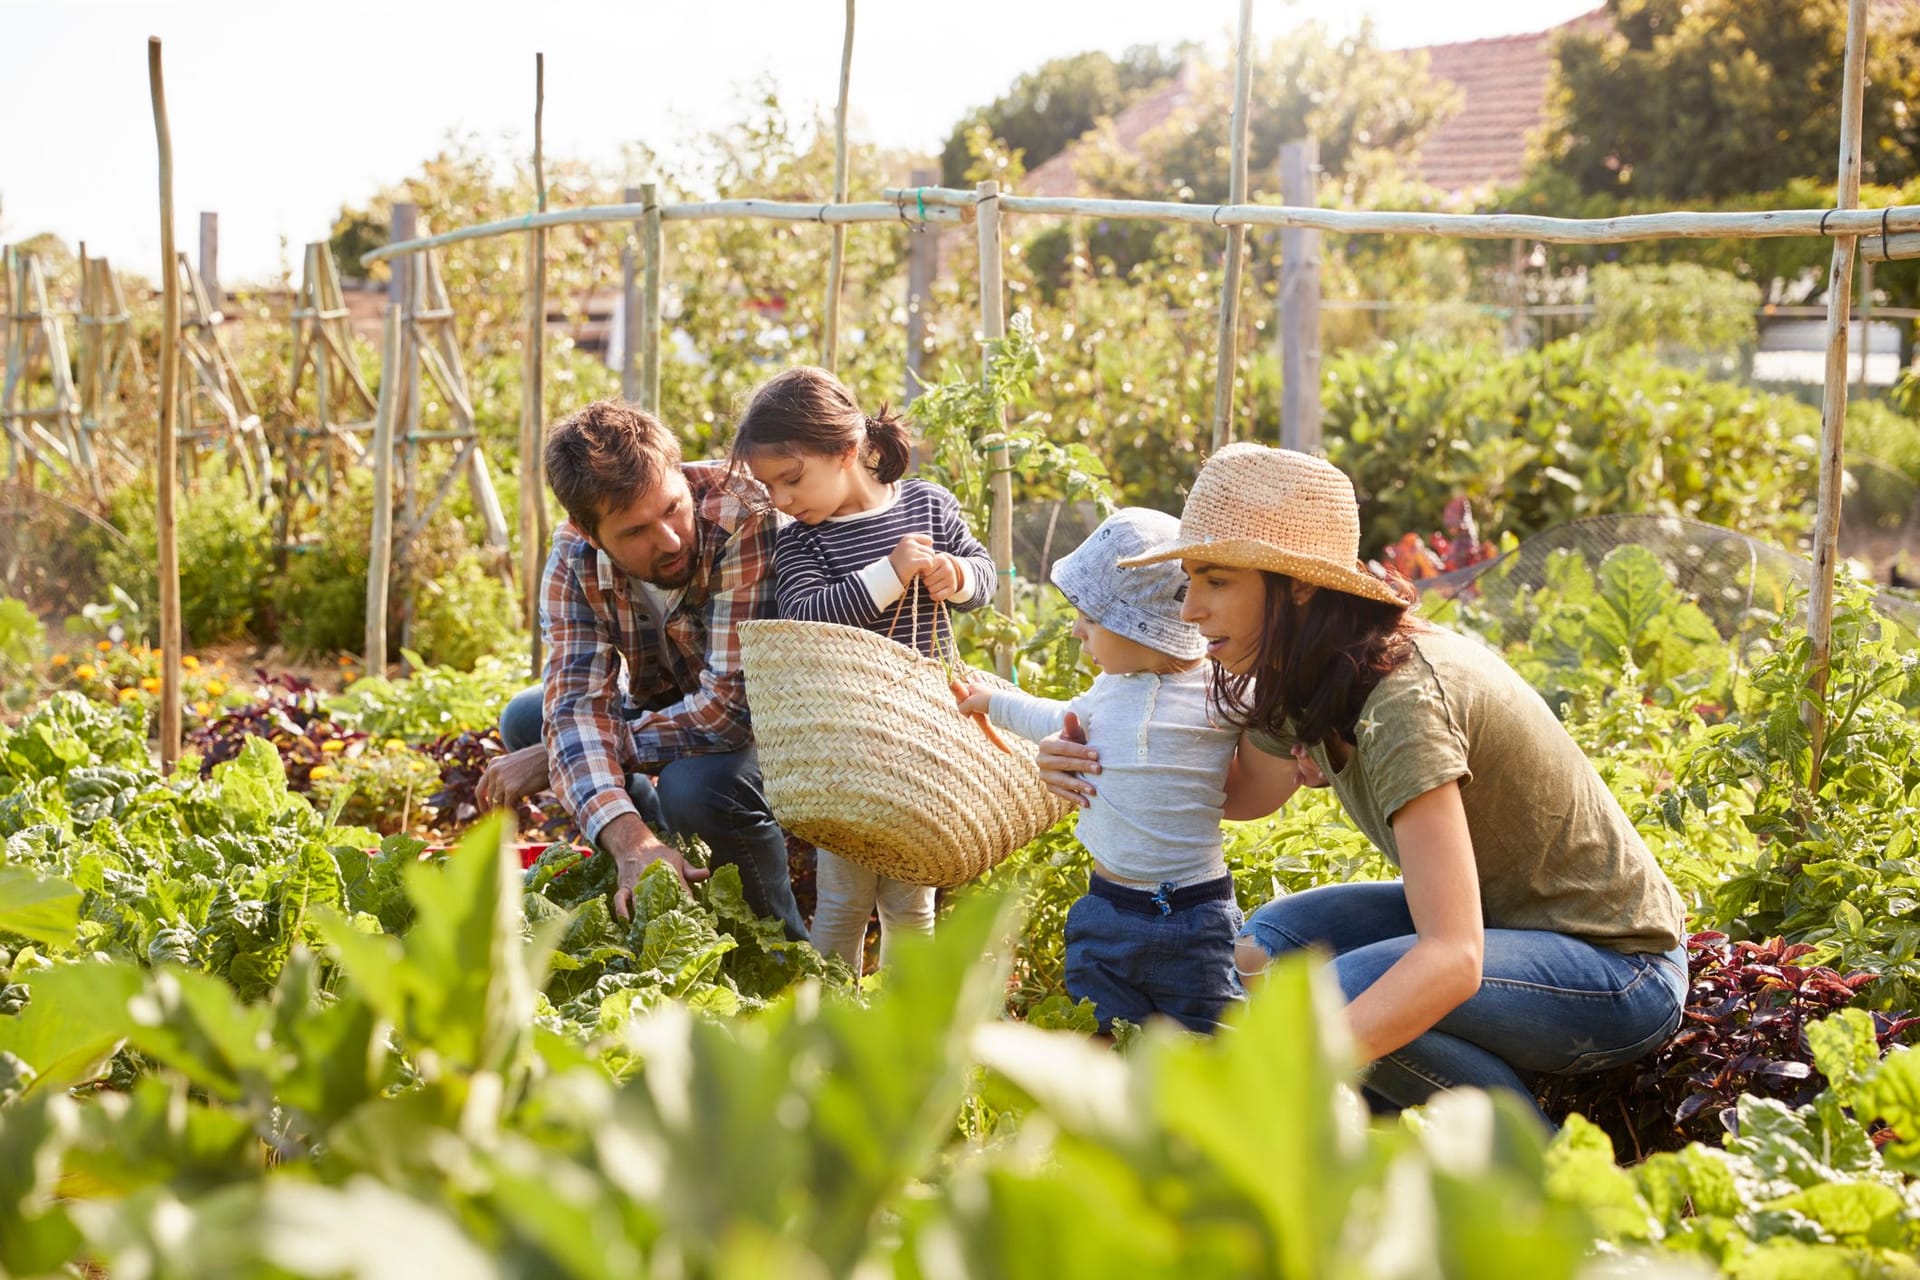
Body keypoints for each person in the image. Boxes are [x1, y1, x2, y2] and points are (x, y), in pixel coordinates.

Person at [1045, 443, 1688, 1115]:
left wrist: (1273, 1084)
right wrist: (1088, 756)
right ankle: (1406, 1121)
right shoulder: (1305, 675)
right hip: (1510, 927)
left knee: (1333, 1001)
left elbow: (1453, 957)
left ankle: (1530, 1171)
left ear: (1296, 584)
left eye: (1216, 580)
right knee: (1272, 948)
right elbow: (1239, 795)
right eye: (1190, 580)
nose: (1189, 610)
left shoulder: (1403, 704)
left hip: (1618, 968)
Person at [478, 400, 808, 941]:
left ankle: (780, 949)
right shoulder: (573, 560)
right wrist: (630, 838)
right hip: (676, 704)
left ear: (681, 477)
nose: (671, 539)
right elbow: (573, 704)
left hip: (763, 720)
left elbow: (727, 711)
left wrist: (576, 752)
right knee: (529, 717)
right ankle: (659, 878)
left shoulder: (740, 515)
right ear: (589, 533)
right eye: (635, 532)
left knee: (696, 786)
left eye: (673, 508)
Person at [730, 365, 995, 970]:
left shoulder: (928, 505)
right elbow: (804, 614)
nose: (782, 501)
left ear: (847, 450)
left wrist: (955, 577)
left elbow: (985, 576)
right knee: (844, 899)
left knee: (912, 899)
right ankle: (830, 1025)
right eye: (769, 487)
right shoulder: (801, 542)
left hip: (922, 737)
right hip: (847, 748)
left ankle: (906, 1026)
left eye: (791, 480)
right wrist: (889, 573)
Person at [958, 508, 1243, 1033]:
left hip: (1198, 916)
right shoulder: (1105, 692)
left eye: (1091, 620)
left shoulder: (1223, 693)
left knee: (1208, 1041)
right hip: (1107, 908)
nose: (1076, 631)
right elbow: (1051, 714)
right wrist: (991, 702)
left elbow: (1282, 711)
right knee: (1100, 1031)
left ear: (1143, 630)